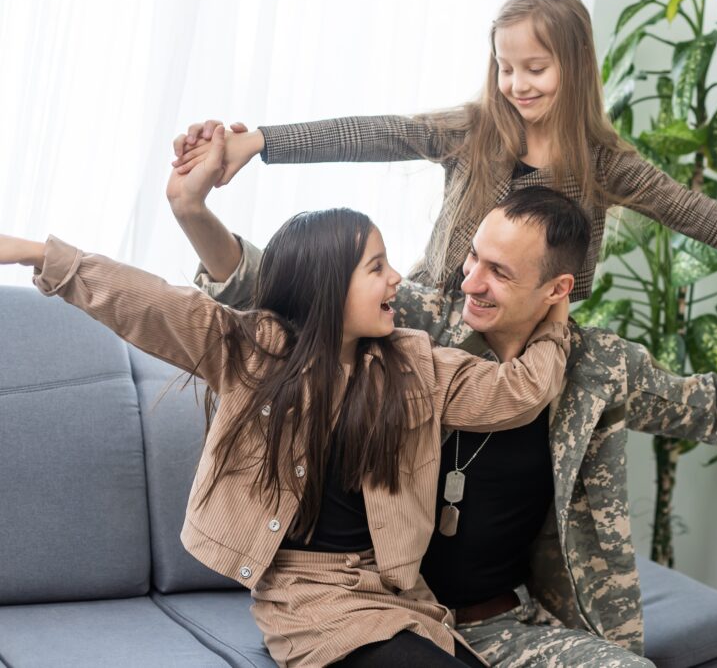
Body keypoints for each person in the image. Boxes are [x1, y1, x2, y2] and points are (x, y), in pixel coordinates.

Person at [184, 182, 717, 667]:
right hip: (387, 613)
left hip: (504, 626)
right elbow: (275, 285)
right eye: (473, 255)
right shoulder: (415, 321)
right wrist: (193, 210)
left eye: (498, 271)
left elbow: (716, 406)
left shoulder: (598, 367)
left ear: (556, 291)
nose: (471, 279)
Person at [0, 126, 574, 668]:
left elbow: (517, 394)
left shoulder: (414, 362)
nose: (397, 278)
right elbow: (146, 303)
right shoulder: (253, 351)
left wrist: (554, 317)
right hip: (306, 601)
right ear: (329, 283)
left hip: (396, 597)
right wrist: (35, 253)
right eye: (377, 267)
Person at [169, 0, 717, 320]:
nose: (517, 84)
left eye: (536, 68)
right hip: (432, 307)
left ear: (575, 65)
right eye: (507, 67)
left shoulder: (604, 164)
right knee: (294, 300)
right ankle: (206, 237)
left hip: (522, 334)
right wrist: (259, 141)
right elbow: (375, 132)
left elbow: (694, 213)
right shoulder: (474, 129)